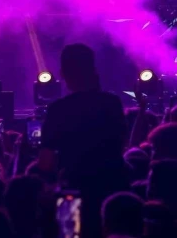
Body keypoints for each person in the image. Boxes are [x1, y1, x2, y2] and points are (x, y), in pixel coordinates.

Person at [39, 43, 129, 236]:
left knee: (69, 235)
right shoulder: (112, 103)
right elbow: (123, 143)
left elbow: (46, 161)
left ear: (63, 73)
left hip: (71, 190)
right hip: (112, 186)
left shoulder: (58, 109)